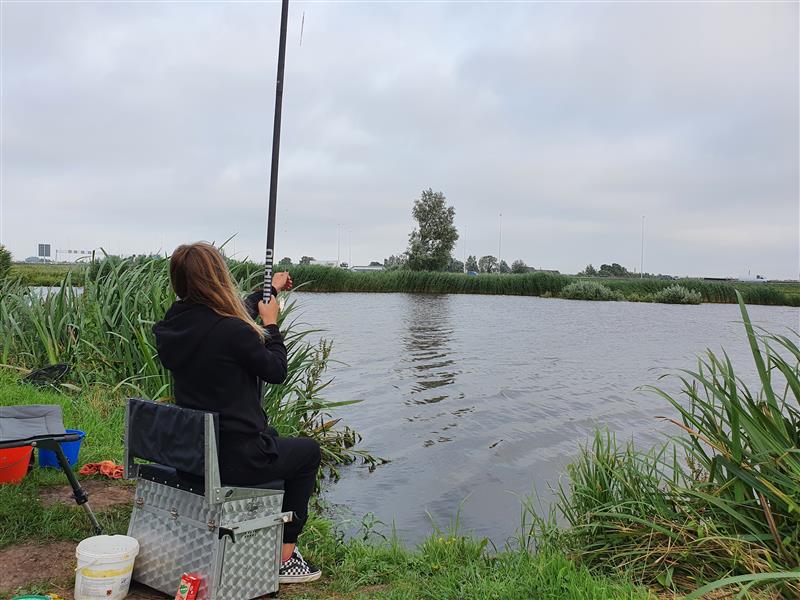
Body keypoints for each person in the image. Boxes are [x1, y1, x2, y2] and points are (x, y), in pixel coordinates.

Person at [152, 242, 322, 584]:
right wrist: (271, 324)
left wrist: (268, 290)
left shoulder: (173, 324)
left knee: (273, 437)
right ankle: (285, 556)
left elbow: (226, 319)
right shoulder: (232, 331)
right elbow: (276, 370)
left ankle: (260, 529)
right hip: (234, 460)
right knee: (308, 452)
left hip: (193, 458)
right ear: (218, 278)